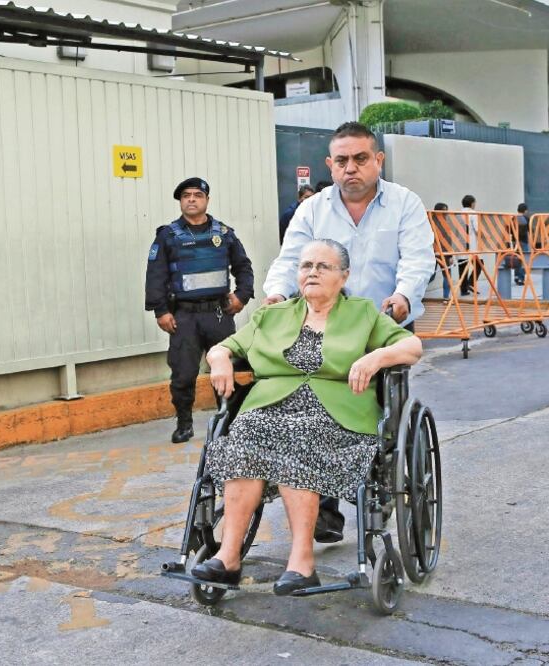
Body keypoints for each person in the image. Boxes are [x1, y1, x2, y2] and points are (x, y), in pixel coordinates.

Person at [194, 239, 422, 595]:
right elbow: (228, 346)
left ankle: (302, 562)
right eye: (306, 266)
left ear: (344, 275)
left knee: (301, 437)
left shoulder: (362, 313)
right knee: (245, 433)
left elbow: (411, 346)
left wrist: (374, 358)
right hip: (270, 407)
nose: (312, 272)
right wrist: (220, 359)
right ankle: (228, 557)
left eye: (323, 266)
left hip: (337, 415)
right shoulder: (272, 315)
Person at [263, 121, 435, 545]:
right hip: (321, 324)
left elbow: (417, 259)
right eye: (342, 161)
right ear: (330, 164)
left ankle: (376, 482)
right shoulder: (312, 210)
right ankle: (322, 508)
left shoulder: (404, 204)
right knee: (312, 404)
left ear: (378, 160)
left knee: (372, 414)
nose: (351, 168)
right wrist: (275, 296)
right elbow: (290, 260)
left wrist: (401, 298)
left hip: (383, 321)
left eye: (361, 159)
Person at [145, 177, 254, 443]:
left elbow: (243, 267)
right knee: (183, 373)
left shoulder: (224, 233)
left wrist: (242, 296)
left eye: (197, 195)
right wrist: (161, 311)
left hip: (218, 314)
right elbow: (155, 275)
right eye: (186, 196)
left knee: (226, 368)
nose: (191, 199)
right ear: (181, 202)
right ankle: (184, 423)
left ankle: (226, 421)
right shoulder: (168, 235)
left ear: (206, 200)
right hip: (184, 316)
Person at [459, 194, 481, 296]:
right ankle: (470, 282)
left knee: (462, 267)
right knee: (479, 264)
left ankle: (463, 290)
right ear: (472, 203)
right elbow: (477, 229)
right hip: (472, 244)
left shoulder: (457, 213)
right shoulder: (473, 213)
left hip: (460, 244)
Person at [432, 202, 453, 299]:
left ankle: (446, 297)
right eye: (443, 211)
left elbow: (449, 240)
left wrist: (451, 255)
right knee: (429, 276)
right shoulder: (430, 222)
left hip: (444, 253)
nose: (445, 213)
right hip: (431, 253)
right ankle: (416, 295)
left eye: (446, 211)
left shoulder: (446, 223)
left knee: (447, 275)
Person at [513, 203, 529, 285]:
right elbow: (529, 230)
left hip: (515, 241)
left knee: (517, 259)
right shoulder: (525, 218)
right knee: (524, 260)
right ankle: (521, 278)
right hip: (523, 241)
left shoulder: (513, 218)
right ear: (525, 210)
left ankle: (516, 276)